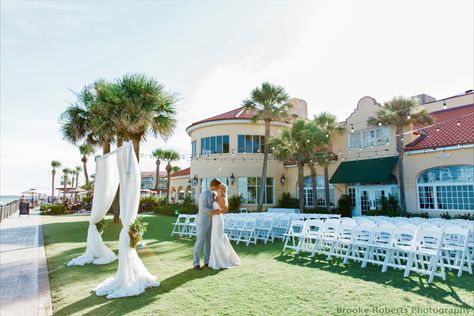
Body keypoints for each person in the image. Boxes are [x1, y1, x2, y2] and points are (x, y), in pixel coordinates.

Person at [208, 183, 240, 270]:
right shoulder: (215, 196)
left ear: (222, 190)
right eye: (218, 187)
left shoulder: (222, 198)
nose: (218, 188)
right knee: (213, 238)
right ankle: (214, 260)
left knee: (217, 238)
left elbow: (225, 209)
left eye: (220, 187)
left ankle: (223, 260)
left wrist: (216, 212)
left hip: (218, 220)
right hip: (214, 220)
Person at [193, 178, 222, 270]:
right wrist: (214, 211)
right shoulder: (204, 193)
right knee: (199, 241)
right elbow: (202, 208)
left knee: (208, 242)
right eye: (217, 187)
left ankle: (207, 261)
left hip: (211, 222)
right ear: (213, 186)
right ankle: (196, 263)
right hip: (202, 222)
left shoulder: (214, 194)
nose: (218, 189)